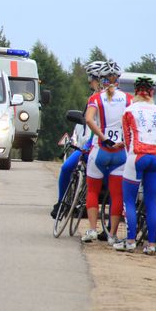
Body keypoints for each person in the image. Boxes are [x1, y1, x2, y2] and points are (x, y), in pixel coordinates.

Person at [115, 76, 156, 254]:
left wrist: (130, 158)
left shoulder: (129, 111)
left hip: (136, 156)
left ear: (135, 92)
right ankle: (152, 244)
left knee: (130, 201)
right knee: (150, 203)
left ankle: (130, 241)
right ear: (152, 92)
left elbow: (126, 139)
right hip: (155, 158)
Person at [82, 61, 132, 244]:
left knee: (93, 191)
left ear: (101, 80)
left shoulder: (96, 98)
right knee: (117, 194)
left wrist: (103, 137)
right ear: (118, 79)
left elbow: (88, 119)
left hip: (100, 150)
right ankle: (112, 235)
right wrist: (124, 141)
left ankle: (92, 230)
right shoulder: (128, 99)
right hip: (121, 152)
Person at [51, 61, 106, 218]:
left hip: (96, 146)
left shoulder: (99, 99)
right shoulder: (95, 97)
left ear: (97, 78)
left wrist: (88, 144)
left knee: (67, 168)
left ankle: (62, 204)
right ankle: (62, 204)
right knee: (67, 167)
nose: (89, 82)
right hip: (99, 145)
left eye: (91, 78)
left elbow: (91, 124)